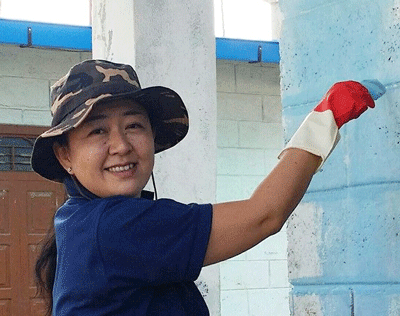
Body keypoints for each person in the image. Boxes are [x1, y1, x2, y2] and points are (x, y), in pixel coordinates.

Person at [32, 59, 386, 316]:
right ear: (65, 155)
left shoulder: (78, 218)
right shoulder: (113, 226)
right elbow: (264, 215)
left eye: (134, 126)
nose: (121, 145)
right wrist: (325, 119)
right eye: (97, 131)